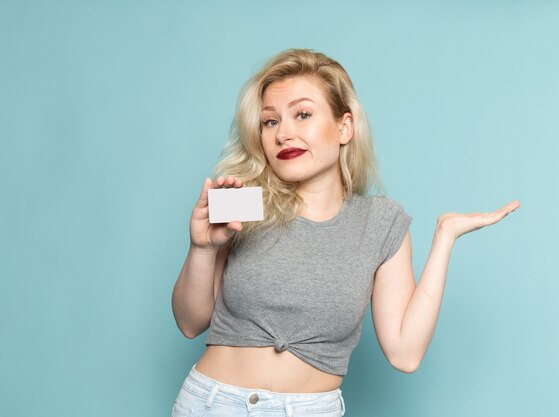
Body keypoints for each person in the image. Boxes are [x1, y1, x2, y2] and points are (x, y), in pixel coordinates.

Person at [170, 48, 520, 417]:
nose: (283, 134)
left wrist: (445, 238)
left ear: (344, 126)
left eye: (302, 115)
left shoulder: (380, 223)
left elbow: (405, 353)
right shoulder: (243, 203)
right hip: (212, 404)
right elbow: (189, 323)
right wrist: (201, 249)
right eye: (270, 121)